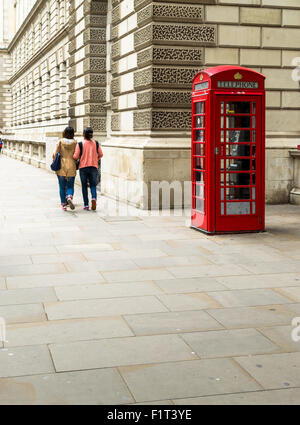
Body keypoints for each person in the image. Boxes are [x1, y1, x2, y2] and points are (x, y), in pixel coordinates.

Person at [73, 127, 103, 211]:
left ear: (83, 134)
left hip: (83, 168)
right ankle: (94, 198)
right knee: (93, 185)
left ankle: (86, 205)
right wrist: (95, 159)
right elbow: (101, 154)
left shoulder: (80, 144)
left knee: (84, 186)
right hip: (94, 167)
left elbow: (75, 156)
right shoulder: (96, 143)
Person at [52, 126, 77, 211]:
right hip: (72, 165)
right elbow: (77, 156)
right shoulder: (75, 143)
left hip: (61, 166)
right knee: (70, 185)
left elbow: (54, 154)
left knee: (62, 186)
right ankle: (69, 196)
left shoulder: (60, 142)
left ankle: (63, 204)